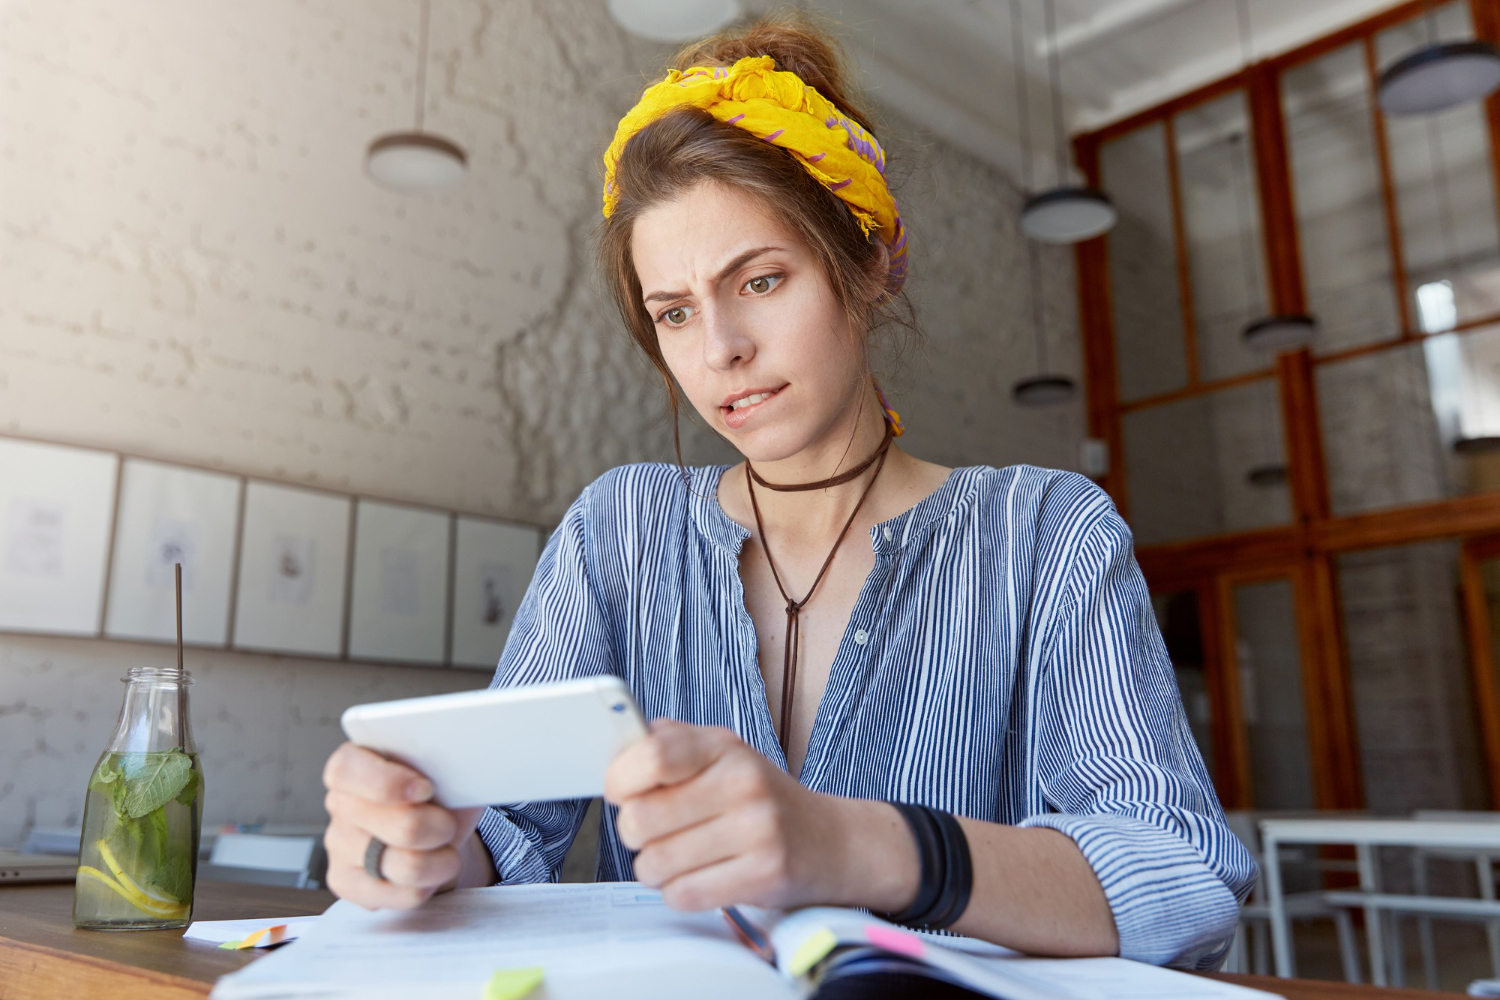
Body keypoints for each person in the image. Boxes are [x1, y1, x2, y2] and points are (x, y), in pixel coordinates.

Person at [320, 12, 1255, 969]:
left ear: (876, 263)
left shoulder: (1044, 533)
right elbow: (506, 836)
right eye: (675, 312)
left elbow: (1180, 877)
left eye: (761, 280)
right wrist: (421, 848)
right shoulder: (621, 531)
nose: (720, 348)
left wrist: (852, 845)